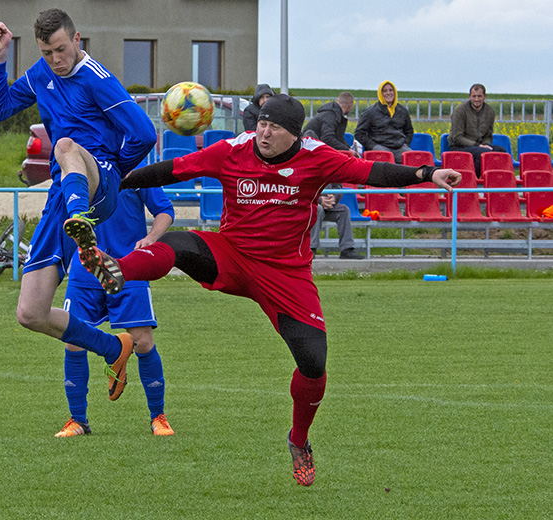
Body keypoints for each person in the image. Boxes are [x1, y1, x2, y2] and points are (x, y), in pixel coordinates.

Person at [75, 94, 461, 486]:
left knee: (313, 363)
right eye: (261, 123)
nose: (263, 132)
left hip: (285, 273)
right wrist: (118, 181)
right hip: (232, 253)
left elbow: (370, 172)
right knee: (176, 244)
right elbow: (172, 170)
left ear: (293, 134)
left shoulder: (318, 156)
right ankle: (116, 269)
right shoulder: (233, 150)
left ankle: (299, 440)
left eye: (274, 127)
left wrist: (426, 174)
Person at [0, 9, 157, 401]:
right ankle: (114, 347)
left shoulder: (98, 79)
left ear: (77, 39)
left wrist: (117, 171)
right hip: (63, 194)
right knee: (31, 312)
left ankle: (82, 222)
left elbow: (144, 134)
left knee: (63, 145)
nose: (55, 60)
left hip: (101, 183)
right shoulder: (41, 74)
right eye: (47, 53)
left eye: (61, 49)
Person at [57, 186, 175, 438]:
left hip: (129, 266)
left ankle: (158, 417)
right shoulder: (80, 170)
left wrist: (152, 238)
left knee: (143, 341)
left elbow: (164, 210)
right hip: (85, 269)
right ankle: (77, 420)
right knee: (73, 341)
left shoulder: (137, 167)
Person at [448, 83, 506, 176]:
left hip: (479, 146)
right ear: (469, 96)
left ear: (485, 97)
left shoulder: (490, 111)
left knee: (500, 151)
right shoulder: (460, 111)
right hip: (460, 147)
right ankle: (476, 180)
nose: (476, 99)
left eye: (479, 96)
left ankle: (497, 179)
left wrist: (486, 144)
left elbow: (488, 134)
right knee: (483, 152)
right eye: (474, 96)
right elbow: (457, 137)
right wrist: (478, 146)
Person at [354, 80, 414, 163]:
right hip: (380, 146)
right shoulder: (370, 112)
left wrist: (405, 144)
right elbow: (359, 133)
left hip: (399, 147)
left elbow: (409, 131)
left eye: (390, 90)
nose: (388, 93)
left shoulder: (403, 111)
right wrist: (373, 146)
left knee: (411, 158)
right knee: (385, 159)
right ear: (380, 93)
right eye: (385, 91)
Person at [310, 183, 363, 259]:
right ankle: (311, 249)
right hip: (310, 205)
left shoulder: (333, 171)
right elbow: (302, 190)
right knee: (318, 209)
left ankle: (347, 249)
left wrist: (334, 197)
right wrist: (319, 200)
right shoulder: (307, 171)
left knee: (344, 210)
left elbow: (338, 188)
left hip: (330, 205)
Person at [302, 92, 360, 157]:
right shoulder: (330, 116)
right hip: (312, 152)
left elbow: (339, 139)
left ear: (338, 101)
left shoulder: (335, 115)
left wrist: (349, 149)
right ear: (350, 105)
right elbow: (327, 138)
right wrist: (348, 150)